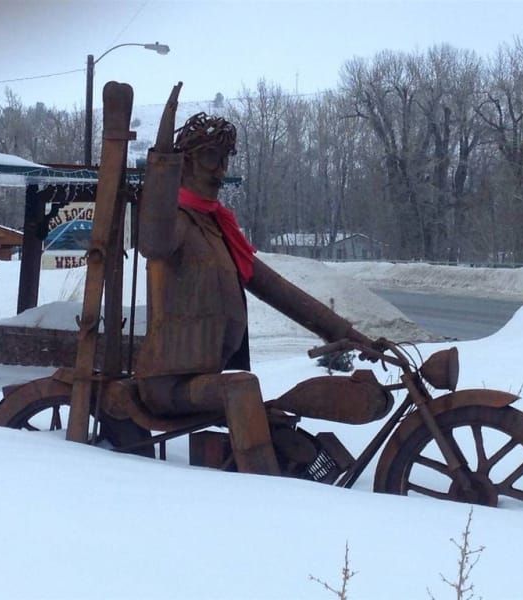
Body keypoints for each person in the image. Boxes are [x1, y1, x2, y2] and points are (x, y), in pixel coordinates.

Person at [135, 112, 371, 475]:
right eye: (210, 158)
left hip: (202, 377)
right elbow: (153, 241)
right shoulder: (178, 222)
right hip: (168, 383)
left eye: (225, 159)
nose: (219, 171)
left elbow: (278, 290)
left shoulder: (219, 230)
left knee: (277, 407)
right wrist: (162, 165)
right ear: (185, 163)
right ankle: (264, 490)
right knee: (242, 388)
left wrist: (350, 336)